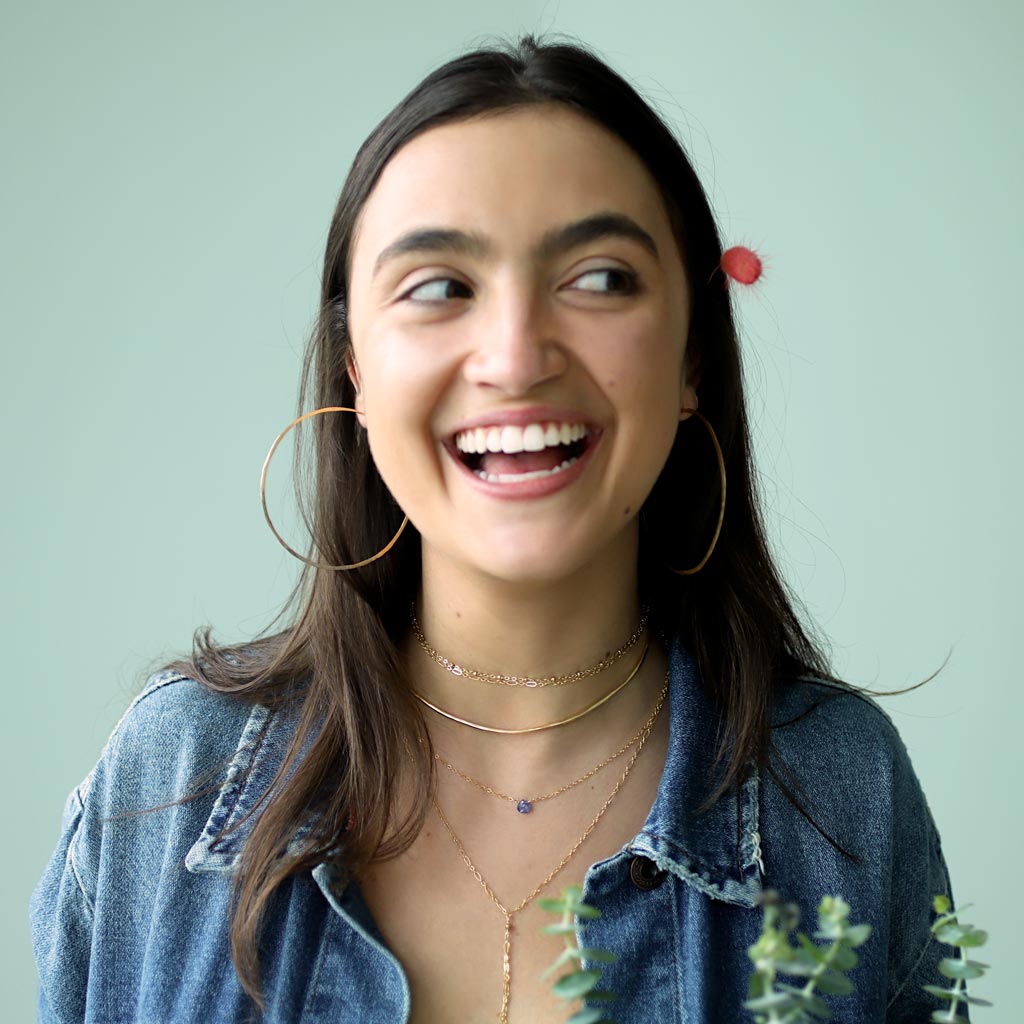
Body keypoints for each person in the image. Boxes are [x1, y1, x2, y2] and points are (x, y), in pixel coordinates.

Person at [31, 35, 956, 1024]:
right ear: (355, 366)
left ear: (692, 358)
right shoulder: (171, 777)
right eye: (439, 287)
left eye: (599, 278)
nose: (514, 357)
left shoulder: (844, 793)